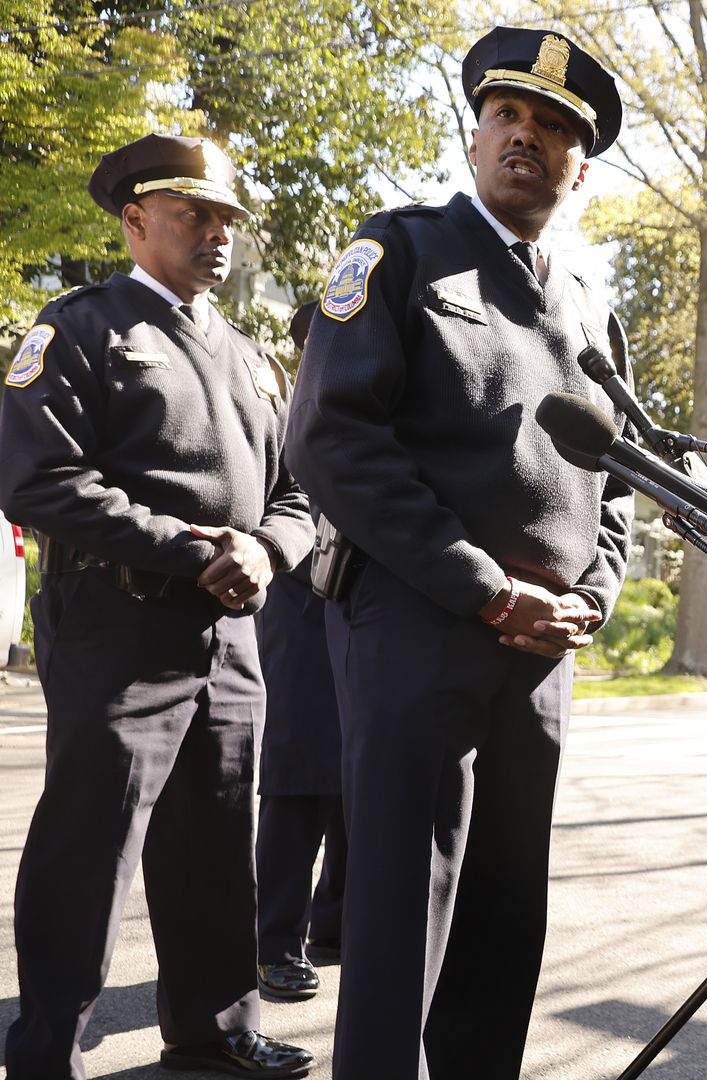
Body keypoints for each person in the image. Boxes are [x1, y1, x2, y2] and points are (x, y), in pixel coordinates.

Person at [285, 25, 632, 1078]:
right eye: (508, 115)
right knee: (399, 914)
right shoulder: (398, 252)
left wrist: (597, 598)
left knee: (502, 912)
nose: (526, 135)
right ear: (477, 135)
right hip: (419, 624)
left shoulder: (588, 306)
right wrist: (483, 589)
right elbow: (334, 438)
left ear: (582, 165)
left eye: (555, 127)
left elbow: (622, 482)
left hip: (541, 650)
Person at [0, 135, 315, 1078]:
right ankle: (47, 1049)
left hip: (230, 632)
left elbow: (306, 492)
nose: (217, 235)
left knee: (216, 839)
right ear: (135, 222)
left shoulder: (256, 360)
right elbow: (40, 481)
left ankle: (214, 1032)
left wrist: (264, 548)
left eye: (226, 219)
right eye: (194, 215)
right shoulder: (81, 330)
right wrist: (193, 551)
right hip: (116, 624)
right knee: (89, 847)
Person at [254, 301, 345, 1004]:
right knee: (299, 777)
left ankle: (334, 926)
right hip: (298, 608)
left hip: (365, 614)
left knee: (356, 778)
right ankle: (274, 943)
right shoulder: (285, 411)